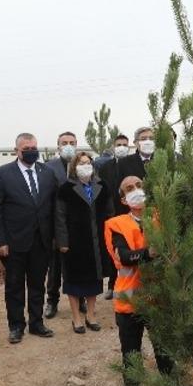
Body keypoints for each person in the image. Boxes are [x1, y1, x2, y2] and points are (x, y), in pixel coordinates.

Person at [104, 176, 184, 386]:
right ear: (123, 199)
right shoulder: (116, 225)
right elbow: (124, 256)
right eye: (129, 189)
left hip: (160, 302)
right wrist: (150, 252)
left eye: (139, 186)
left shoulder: (163, 218)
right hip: (129, 303)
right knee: (131, 358)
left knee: (166, 360)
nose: (136, 191)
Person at [0, 132, 58, 342]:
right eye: (26, 149)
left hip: (41, 240)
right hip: (14, 242)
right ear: (16, 150)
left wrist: (55, 237)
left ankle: (36, 323)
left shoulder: (47, 172)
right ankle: (16, 326)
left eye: (34, 148)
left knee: (38, 284)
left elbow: (53, 207)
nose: (31, 152)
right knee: (14, 285)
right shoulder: (2, 174)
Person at [56, 150, 113, 333]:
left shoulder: (102, 186)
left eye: (88, 162)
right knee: (74, 280)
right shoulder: (65, 189)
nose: (85, 166)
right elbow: (60, 217)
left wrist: (110, 237)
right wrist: (63, 242)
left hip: (96, 241)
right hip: (74, 242)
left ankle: (91, 314)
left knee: (94, 281)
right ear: (74, 167)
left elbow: (110, 213)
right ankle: (76, 318)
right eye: (81, 163)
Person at [44, 131, 79, 318]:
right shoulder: (49, 168)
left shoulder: (83, 165)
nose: (68, 145)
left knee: (78, 265)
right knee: (55, 267)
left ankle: (80, 299)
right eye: (64, 142)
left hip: (78, 225)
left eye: (71, 142)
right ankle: (52, 301)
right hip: (56, 225)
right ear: (58, 146)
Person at [98, 134, 129, 299]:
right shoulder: (105, 167)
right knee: (112, 250)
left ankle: (129, 286)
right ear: (114, 146)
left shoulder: (132, 164)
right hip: (111, 214)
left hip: (129, 214)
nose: (122, 147)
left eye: (125, 144)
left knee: (129, 250)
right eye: (119, 144)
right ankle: (112, 284)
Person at [113, 125, 157, 214]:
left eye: (151, 138)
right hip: (133, 213)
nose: (148, 141)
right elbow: (119, 192)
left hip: (159, 214)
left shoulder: (163, 160)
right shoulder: (124, 163)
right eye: (143, 139)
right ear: (136, 143)